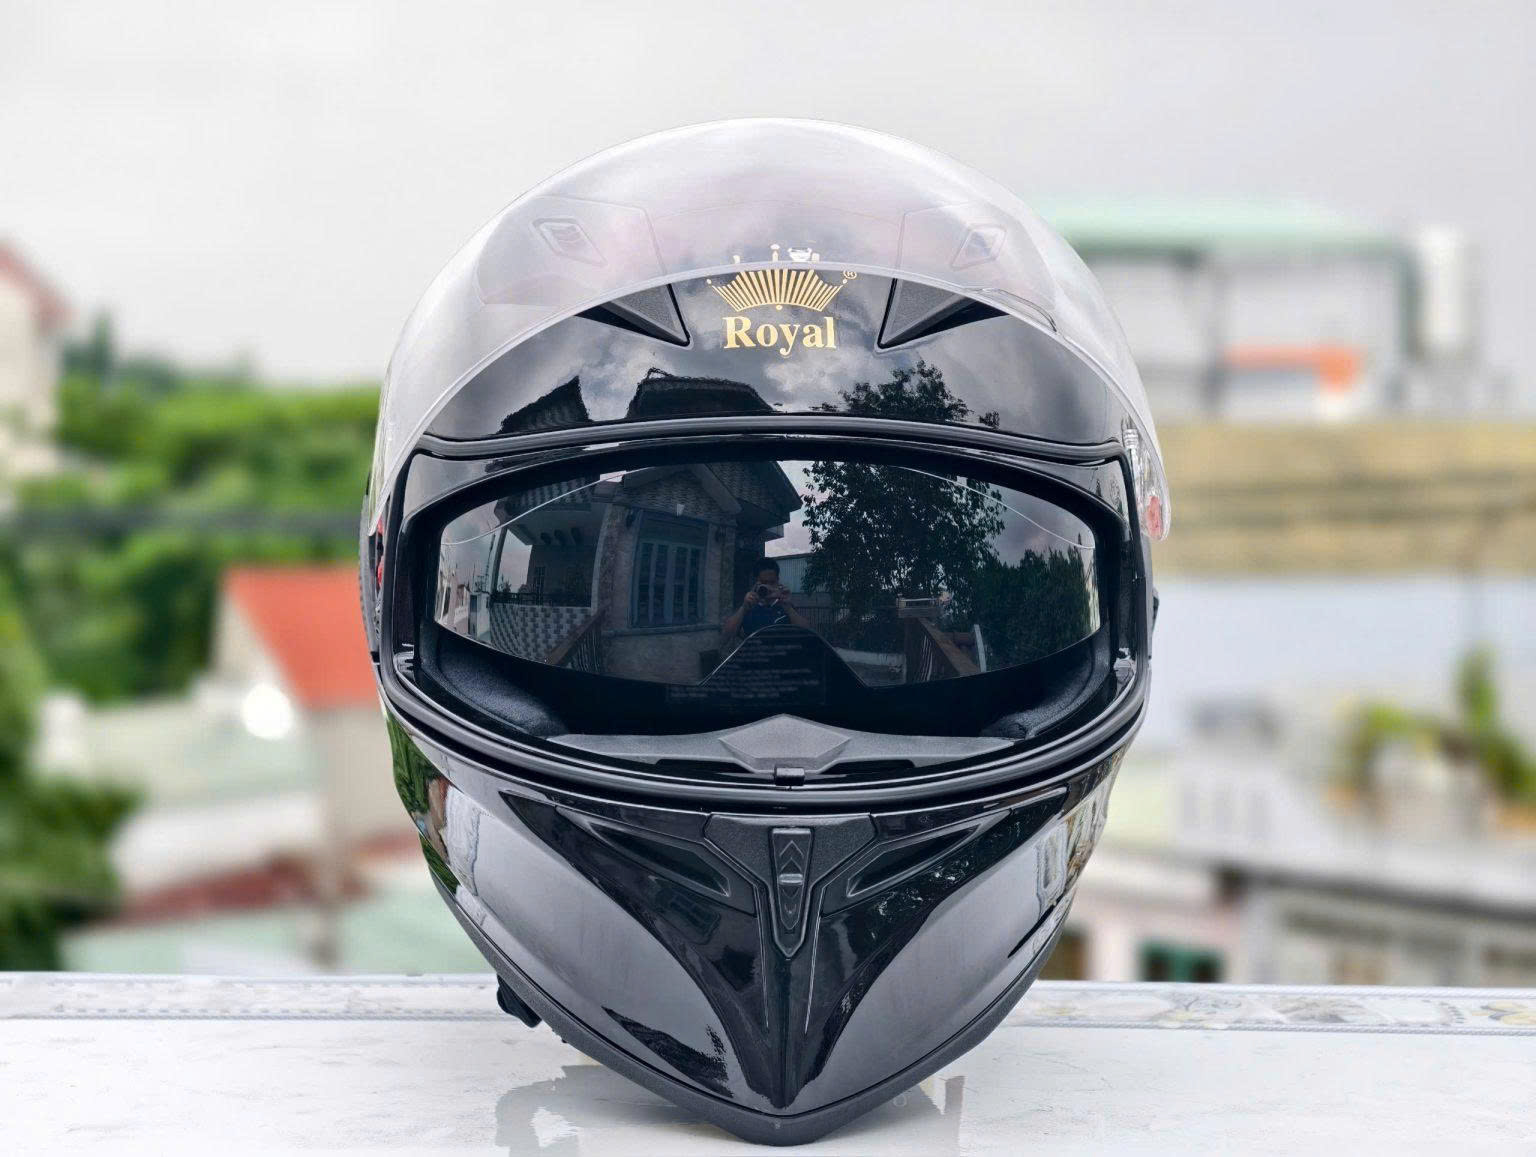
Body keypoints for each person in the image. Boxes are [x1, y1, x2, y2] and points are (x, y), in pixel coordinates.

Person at [720, 557, 810, 643]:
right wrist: (743, 608)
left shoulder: (785, 605)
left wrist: (789, 608)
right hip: (755, 653)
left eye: (772, 582)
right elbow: (725, 636)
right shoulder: (749, 606)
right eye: (764, 583)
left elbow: (808, 634)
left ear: (778, 581)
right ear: (756, 583)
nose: (768, 587)